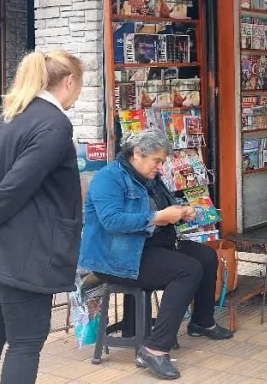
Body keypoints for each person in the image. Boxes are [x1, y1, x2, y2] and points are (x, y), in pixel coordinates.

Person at [0, 50, 85, 384]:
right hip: (25, 253)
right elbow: (15, 186)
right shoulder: (54, 124)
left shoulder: (10, 115)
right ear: (69, 81)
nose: (78, 93)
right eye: (80, 85)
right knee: (25, 342)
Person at [79, 129, 233, 380]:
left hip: (149, 246)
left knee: (206, 256)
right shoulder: (109, 178)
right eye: (157, 161)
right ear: (138, 153)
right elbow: (112, 221)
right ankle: (154, 348)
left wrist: (181, 211)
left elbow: (161, 208)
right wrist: (157, 218)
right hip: (116, 258)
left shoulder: (148, 177)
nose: (160, 167)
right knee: (187, 269)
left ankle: (201, 322)